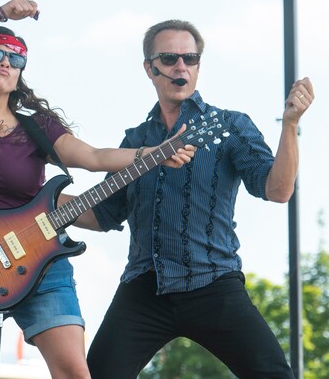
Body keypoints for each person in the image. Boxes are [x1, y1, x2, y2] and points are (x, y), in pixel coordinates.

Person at [0, 0, 195, 379]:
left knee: (74, 373)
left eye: (17, 59)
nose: (7, 63)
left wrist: (152, 153)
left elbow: (93, 157)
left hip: (42, 262)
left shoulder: (37, 125)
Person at [85, 19, 314, 379]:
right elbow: (103, 215)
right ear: (149, 67)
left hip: (213, 282)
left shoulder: (229, 125)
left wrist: (289, 125)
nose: (181, 67)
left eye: (190, 59)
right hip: (144, 288)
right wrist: (38, 204)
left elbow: (277, 189)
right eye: (170, 58)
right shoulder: (135, 141)